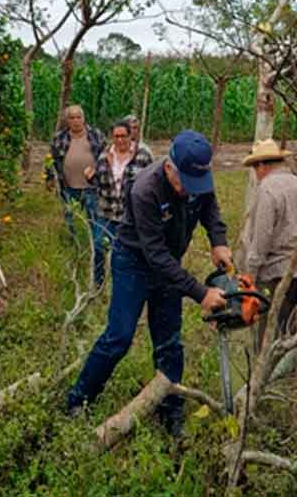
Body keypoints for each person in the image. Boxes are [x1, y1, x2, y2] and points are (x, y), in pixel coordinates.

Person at [66, 130, 232, 437]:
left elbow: (210, 208)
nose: (188, 191)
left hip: (168, 263)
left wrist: (218, 241)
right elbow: (155, 256)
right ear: (169, 167)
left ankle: (170, 412)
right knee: (119, 337)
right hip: (135, 264)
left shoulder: (197, 178)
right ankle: (79, 400)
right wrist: (201, 293)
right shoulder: (145, 190)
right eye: (184, 184)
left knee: (169, 341)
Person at [240, 139, 297, 343]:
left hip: (278, 273)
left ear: (262, 165)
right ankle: (287, 370)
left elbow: (261, 240)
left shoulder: (267, 189)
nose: (256, 175)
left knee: (269, 334)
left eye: (255, 169)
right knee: (290, 329)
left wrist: (250, 276)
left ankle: (268, 373)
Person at [89, 120, 153, 288]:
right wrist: (90, 176)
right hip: (107, 213)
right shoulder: (104, 156)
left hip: (131, 215)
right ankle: (98, 283)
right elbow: (97, 182)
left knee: (126, 252)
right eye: (116, 136)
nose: (120, 140)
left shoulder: (143, 155)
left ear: (130, 135)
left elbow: (153, 181)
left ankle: (127, 282)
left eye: (123, 136)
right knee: (99, 247)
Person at [46, 105, 107, 259]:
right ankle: (74, 250)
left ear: (83, 118)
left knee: (94, 220)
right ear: (67, 121)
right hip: (68, 188)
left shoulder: (96, 135)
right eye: (72, 118)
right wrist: (49, 178)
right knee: (70, 221)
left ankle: (95, 250)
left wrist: (99, 172)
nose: (75, 121)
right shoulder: (60, 137)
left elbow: (107, 156)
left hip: (91, 188)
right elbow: (50, 159)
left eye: (78, 117)